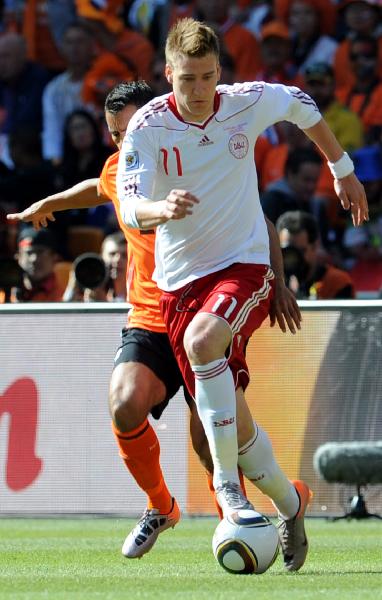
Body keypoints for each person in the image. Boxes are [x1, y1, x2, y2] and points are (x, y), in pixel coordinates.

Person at [8, 80, 305, 569]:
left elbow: (260, 222)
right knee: (125, 403)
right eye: (118, 134)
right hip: (149, 316)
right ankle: (161, 505)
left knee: (210, 445)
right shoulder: (123, 167)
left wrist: (279, 284)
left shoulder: (192, 156)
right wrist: (50, 204)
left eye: (133, 127)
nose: (128, 141)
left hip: (200, 306)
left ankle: (261, 513)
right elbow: (98, 189)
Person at [116, 18, 368, 570]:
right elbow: (129, 205)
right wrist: (164, 209)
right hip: (179, 282)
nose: (199, 89)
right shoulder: (148, 127)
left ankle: (227, 492)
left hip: (243, 266)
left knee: (207, 343)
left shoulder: (244, 102)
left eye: (207, 77)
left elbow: (303, 105)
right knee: (234, 416)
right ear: (168, 75)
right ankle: (288, 500)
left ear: (220, 73)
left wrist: (341, 168)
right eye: (187, 79)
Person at [276, 210, 355, 299]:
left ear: (315, 246)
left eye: (301, 251)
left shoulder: (337, 282)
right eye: (288, 252)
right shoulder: (271, 285)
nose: (293, 258)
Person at [0, 227, 64, 303]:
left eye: (40, 252)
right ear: (18, 257)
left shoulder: (68, 291)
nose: (34, 259)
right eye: (28, 253)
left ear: (54, 258)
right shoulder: (3, 293)